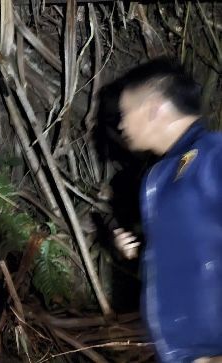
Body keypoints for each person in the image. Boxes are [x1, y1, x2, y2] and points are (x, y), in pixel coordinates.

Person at [110, 59, 222, 362]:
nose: (121, 125)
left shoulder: (213, 155)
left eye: (125, 113)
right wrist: (141, 254)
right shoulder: (162, 176)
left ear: (155, 107)